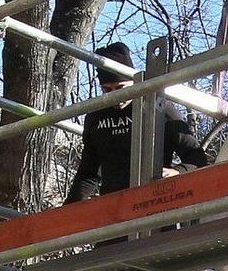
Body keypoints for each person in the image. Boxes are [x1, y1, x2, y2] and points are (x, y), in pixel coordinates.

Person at [65, 41, 213, 203]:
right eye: (107, 90)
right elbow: (88, 171)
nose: (116, 97)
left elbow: (196, 157)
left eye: (121, 88)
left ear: (134, 82)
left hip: (154, 201)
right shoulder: (96, 116)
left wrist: (177, 172)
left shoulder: (157, 106)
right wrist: (69, 211)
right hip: (114, 206)